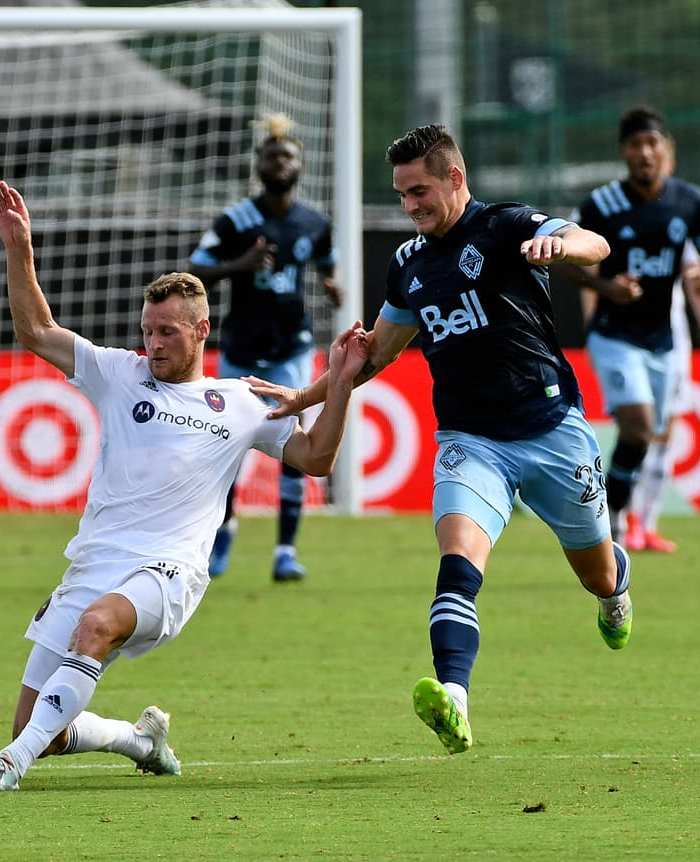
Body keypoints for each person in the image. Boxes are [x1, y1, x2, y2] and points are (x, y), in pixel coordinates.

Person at [0, 181, 366, 792]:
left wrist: (337, 385)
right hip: (94, 562)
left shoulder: (239, 400)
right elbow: (37, 331)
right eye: (148, 330)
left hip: (170, 569)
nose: (152, 343)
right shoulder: (119, 371)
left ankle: (8, 763)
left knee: (94, 630)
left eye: (167, 333)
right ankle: (136, 739)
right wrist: (19, 248)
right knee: (48, 727)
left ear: (202, 329)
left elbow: (315, 459)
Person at [250, 124, 631, 756]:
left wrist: (559, 248)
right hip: (469, 439)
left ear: (454, 178)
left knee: (596, 575)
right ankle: (455, 696)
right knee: (457, 561)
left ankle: (617, 588)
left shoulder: (506, 226)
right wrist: (305, 397)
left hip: (551, 431)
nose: (410, 206)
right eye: (401, 195)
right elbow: (375, 356)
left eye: (419, 191)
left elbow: (593, 242)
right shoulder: (409, 265)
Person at [187, 113, 343, 582]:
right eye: (272, 155)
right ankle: (225, 529)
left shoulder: (314, 222)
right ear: (258, 163)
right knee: (227, 442)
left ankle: (285, 551)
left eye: (288, 155)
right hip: (241, 347)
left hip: (291, 348)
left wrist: (332, 286)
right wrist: (242, 263)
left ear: (301, 164)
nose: (280, 162)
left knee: (296, 439)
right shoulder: (237, 221)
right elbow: (196, 270)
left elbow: (326, 264)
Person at [569, 106, 700, 544]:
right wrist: (606, 286)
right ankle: (616, 520)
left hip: (664, 341)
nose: (645, 152)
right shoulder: (602, 206)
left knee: (646, 437)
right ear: (624, 152)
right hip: (614, 335)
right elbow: (565, 263)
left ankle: (617, 512)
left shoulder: (690, 201)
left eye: (652, 143)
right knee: (638, 427)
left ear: (666, 150)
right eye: (636, 144)